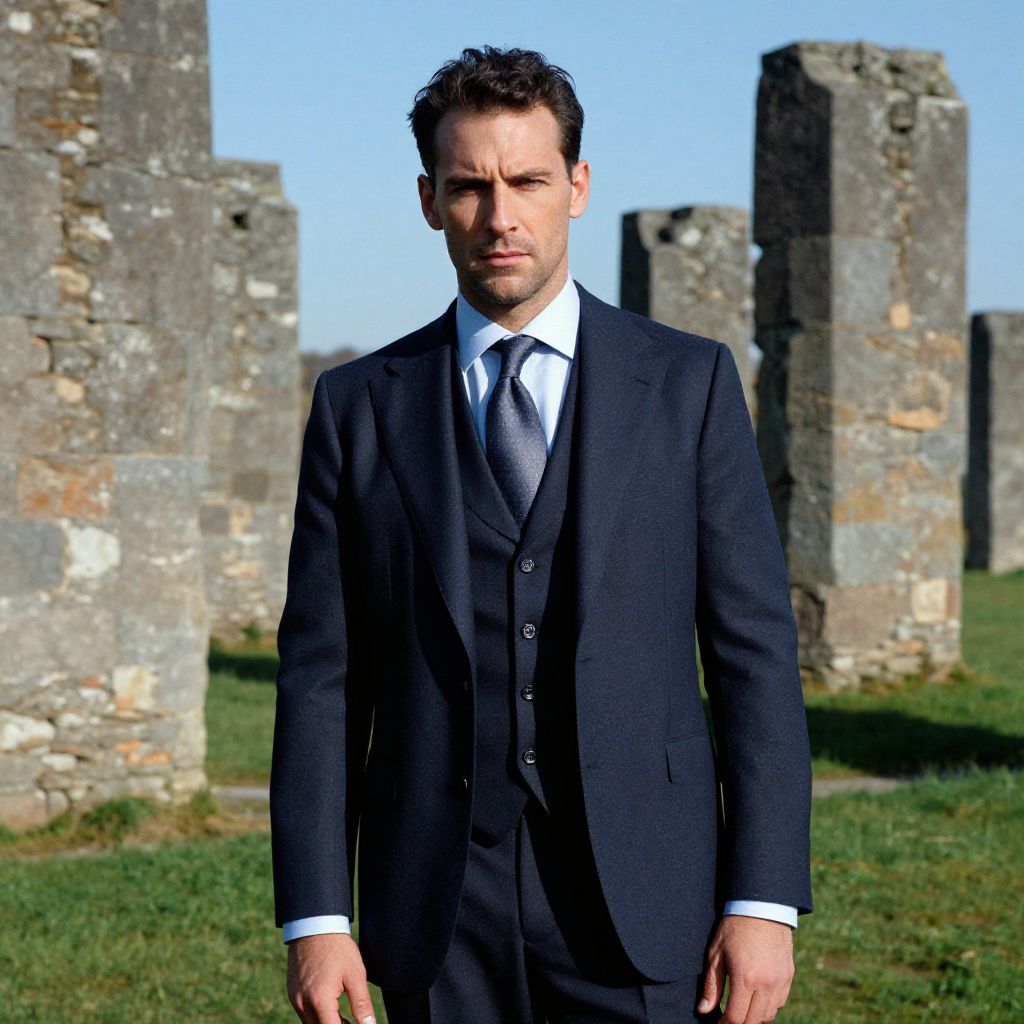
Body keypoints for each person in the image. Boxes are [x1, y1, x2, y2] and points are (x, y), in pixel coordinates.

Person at [270, 45, 813, 1024]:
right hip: (435, 910)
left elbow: (754, 656)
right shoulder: (356, 408)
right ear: (430, 199)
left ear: (577, 185)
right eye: (470, 186)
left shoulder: (687, 385)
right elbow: (321, 682)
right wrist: (315, 915)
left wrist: (762, 898)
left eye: (526, 180)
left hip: (646, 903)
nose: (500, 214)